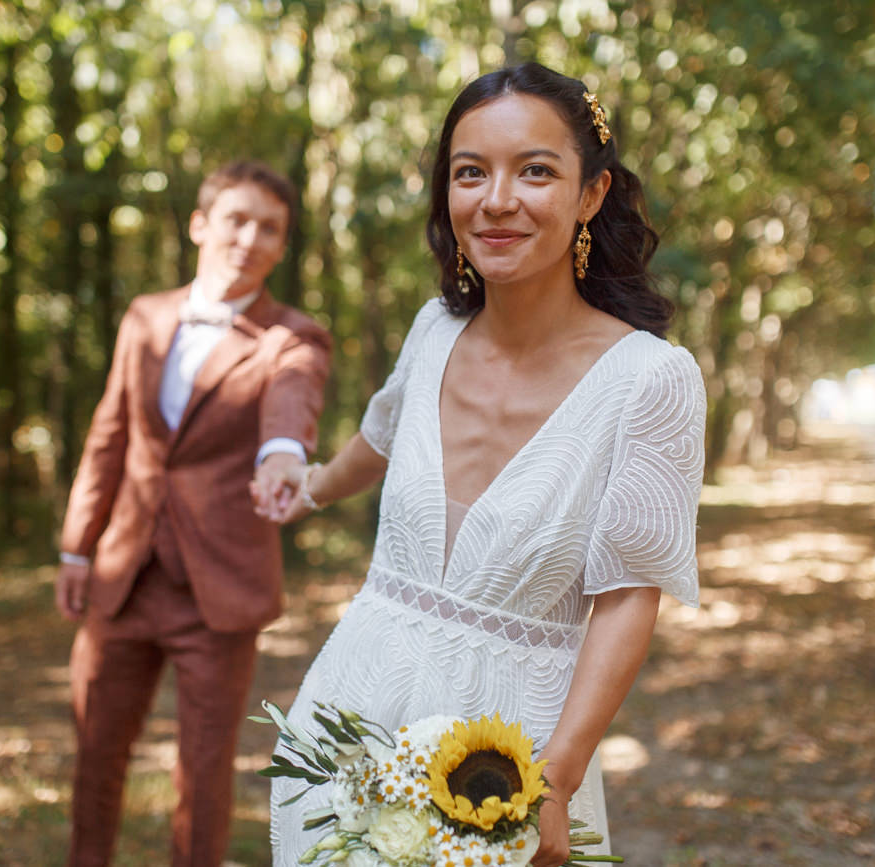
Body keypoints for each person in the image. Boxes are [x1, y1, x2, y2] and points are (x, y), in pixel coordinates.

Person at [259, 63, 706, 865]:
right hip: (350, 721)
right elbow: (384, 433)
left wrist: (556, 785)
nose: (497, 199)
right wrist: (312, 488)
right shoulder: (433, 330)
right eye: (471, 173)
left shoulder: (651, 380)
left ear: (592, 195)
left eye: (536, 170)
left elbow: (631, 595)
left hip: (511, 759)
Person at [55, 160, 332, 867]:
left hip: (218, 592)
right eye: (237, 219)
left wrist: (281, 456)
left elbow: (290, 403)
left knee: (204, 774)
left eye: (270, 228)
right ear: (201, 223)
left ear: (281, 245)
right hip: (123, 576)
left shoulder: (293, 336)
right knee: (95, 755)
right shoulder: (144, 316)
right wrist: (77, 547)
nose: (251, 237)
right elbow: (109, 433)